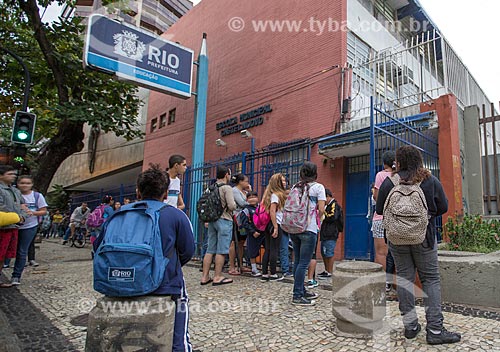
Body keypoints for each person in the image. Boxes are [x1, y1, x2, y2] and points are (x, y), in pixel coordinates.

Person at [93, 165, 196, 351]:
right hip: (162, 286)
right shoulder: (176, 215)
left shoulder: (118, 214)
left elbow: (97, 247)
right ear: (166, 194)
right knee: (180, 310)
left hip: (114, 283)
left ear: (138, 192)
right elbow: (188, 250)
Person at [376, 145, 461, 345]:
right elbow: (444, 206)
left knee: (404, 279)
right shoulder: (429, 180)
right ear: (418, 160)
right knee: (430, 279)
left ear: (398, 161)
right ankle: (435, 330)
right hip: (425, 238)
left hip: (397, 239)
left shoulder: (390, 182)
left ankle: (411, 326)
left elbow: (380, 209)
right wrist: (426, 216)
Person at [290, 162, 325, 306]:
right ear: (315, 173)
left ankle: (301, 289)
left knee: (298, 261)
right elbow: (321, 209)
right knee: (303, 263)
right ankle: (297, 295)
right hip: (309, 229)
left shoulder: (295, 187)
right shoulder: (318, 187)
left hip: (294, 228)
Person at [200, 166, 236, 286]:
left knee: (210, 249)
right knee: (221, 250)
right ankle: (217, 276)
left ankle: (205, 276)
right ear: (226, 174)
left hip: (212, 220)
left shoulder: (210, 188)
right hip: (224, 219)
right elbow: (231, 206)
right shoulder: (227, 188)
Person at [9, 176, 48, 284]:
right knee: (8, 249)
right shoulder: (12, 194)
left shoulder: (37, 196)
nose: (25, 185)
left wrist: (33, 213)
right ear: (18, 184)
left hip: (29, 226)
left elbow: (43, 211)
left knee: (22, 251)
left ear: (31, 184)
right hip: (11, 225)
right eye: (22, 183)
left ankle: (16, 276)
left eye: (27, 183)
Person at [0, 165, 26, 287]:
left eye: (14, 174)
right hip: (2, 226)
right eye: (10, 174)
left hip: (13, 227)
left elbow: (23, 206)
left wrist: (22, 216)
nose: (13, 176)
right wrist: (16, 216)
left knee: (4, 255)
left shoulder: (16, 191)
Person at [260, 173, 287, 281]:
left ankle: (265, 273)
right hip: (275, 223)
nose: (285, 183)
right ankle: (273, 273)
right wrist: (276, 227)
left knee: (268, 249)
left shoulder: (268, 194)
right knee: (274, 249)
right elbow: (272, 210)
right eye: (283, 181)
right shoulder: (276, 195)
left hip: (268, 224)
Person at [372, 151, 395, 271]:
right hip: (397, 218)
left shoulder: (381, 175)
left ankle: (383, 283)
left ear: (384, 163)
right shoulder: (400, 176)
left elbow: (376, 197)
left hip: (381, 218)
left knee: (381, 253)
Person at [238, 191, 265, 277]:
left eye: (254, 197)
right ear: (247, 199)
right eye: (250, 197)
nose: (253, 199)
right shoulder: (246, 210)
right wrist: (252, 231)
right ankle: (253, 268)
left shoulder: (260, 207)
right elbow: (245, 223)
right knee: (252, 251)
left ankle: (262, 267)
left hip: (262, 232)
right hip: (253, 233)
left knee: (266, 248)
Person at [318, 189, 343, 279]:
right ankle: (326, 270)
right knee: (323, 252)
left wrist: (322, 214)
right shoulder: (327, 205)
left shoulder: (334, 205)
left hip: (331, 232)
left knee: (329, 252)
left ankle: (329, 271)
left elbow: (333, 217)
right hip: (325, 232)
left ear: (328, 196)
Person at [228, 173, 250, 275]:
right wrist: (250, 201)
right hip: (236, 219)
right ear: (240, 182)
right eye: (246, 181)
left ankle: (240, 264)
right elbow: (242, 203)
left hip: (243, 219)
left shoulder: (244, 191)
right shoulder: (235, 191)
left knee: (241, 242)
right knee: (233, 242)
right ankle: (232, 266)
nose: (247, 182)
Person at [278, 175, 293, 277]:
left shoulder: (293, 202)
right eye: (286, 194)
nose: (288, 196)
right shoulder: (279, 201)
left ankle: (291, 267)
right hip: (282, 226)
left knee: (292, 248)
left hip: (292, 227)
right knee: (284, 248)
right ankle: (285, 269)